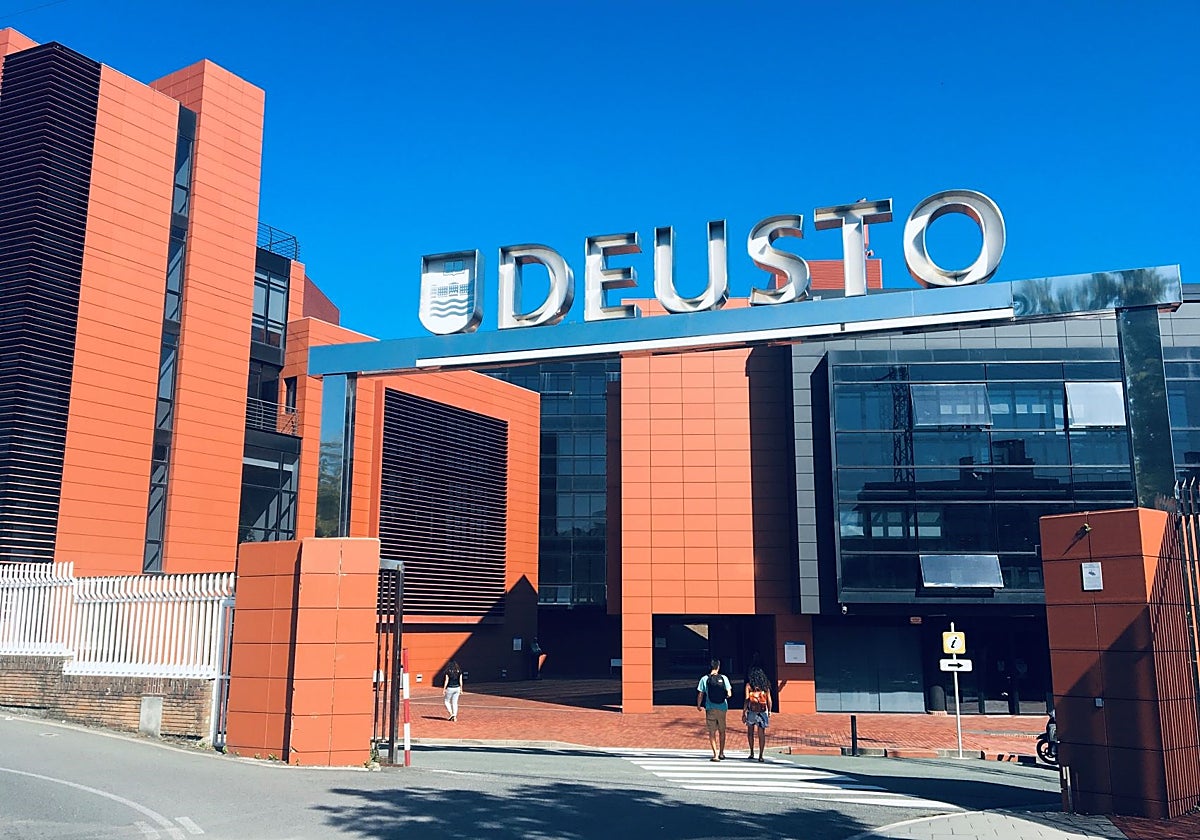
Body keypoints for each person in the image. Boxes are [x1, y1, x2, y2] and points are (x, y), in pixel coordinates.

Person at [696, 658, 733, 762]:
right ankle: (722, 752)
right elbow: (729, 694)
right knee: (722, 730)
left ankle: (715, 754)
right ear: (718, 666)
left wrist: (699, 705)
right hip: (722, 707)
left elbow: (700, 694)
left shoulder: (704, 679)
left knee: (712, 731)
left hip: (710, 707)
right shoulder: (724, 678)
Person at [743, 664, 773, 761]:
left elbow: (747, 699)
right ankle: (761, 755)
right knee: (761, 733)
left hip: (752, 711)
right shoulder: (766, 685)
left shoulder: (749, 685)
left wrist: (744, 712)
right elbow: (769, 700)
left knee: (750, 732)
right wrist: (770, 711)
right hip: (762, 711)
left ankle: (751, 752)